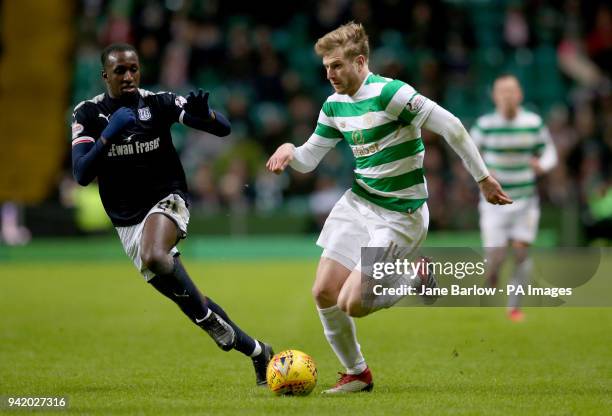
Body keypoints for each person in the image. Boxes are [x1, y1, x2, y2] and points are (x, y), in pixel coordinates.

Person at [266, 22, 511, 394]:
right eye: (326, 68)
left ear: (360, 61)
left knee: (353, 303)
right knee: (323, 292)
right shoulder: (334, 105)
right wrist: (290, 151)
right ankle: (357, 374)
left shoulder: (391, 94)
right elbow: (309, 158)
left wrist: (482, 178)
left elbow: (453, 127)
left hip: (401, 216)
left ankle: (414, 275)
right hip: (360, 203)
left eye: (336, 66)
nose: (329, 74)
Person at [70, 43, 273, 386]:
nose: (129, 76)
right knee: (194, 306)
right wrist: (107, 135)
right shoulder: (87, 114)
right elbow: (81, 174)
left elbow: (222, 128)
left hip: (167, 200)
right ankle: (258, 352)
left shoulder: (158, 103)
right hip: (127, 222)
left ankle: (204, 313)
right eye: (120, 71)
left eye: (134, 68)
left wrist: (205, 115)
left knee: (154, 254)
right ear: (105, 75)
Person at [470, 74, 558, 322]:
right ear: (495, 96)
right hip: (494, 202)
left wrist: (543, 164)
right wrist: (483, 172)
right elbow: (468, 154)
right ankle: (494, 272)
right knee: (496, 255)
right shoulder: (485, 125)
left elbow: (549, 150)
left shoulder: (533, 123)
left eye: (512, 91)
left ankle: (514, 307)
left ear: (519, 95)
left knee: (521, 252)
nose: (507, 96)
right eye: (502, 91)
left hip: (525, 200)